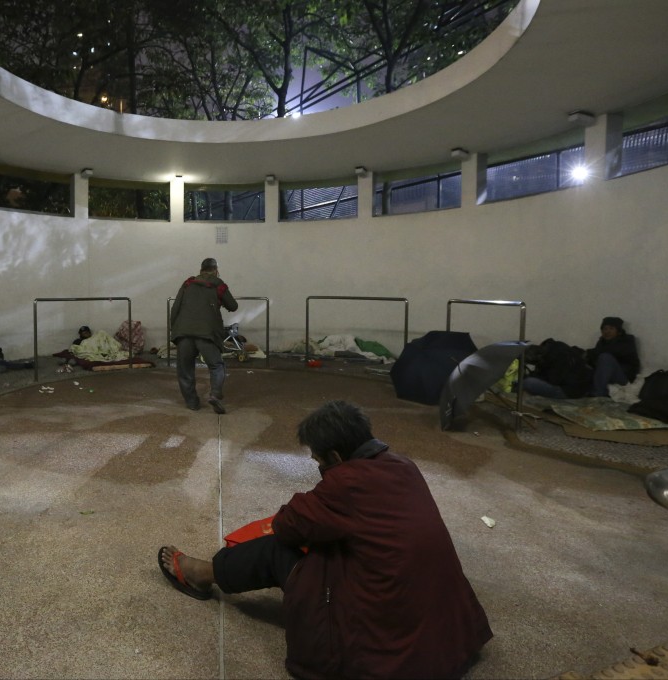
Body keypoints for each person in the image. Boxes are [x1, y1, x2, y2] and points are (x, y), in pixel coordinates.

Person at [158, 400, 493, 679]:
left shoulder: (345, 483)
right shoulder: (403, 466)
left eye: (318, 460)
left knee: (275, 548)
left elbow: (289, 525)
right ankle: (210, 572)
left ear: (334, 457)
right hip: (448, 635)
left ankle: (203, 574)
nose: (318, 466)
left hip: (391, 649)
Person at [169, 257, 238, 413]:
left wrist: (175, 332)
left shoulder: (188, 283)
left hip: (184, 333)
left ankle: (192, 403)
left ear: (200, 270)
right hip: (207, 333)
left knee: (185, 369)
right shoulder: (218, 284)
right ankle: (214, 395)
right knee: (216, 365)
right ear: (215, 270)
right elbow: (233, 306)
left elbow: (175, 308)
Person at [585, 316, 640, 397]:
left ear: (618, 331)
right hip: (608, 375)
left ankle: (599, 393)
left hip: (624, 377)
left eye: (611, 329)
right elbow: (595, 356)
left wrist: (590, 352)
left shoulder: (627, 340)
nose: (607, 331)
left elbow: (613, 351)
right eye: (605, 329)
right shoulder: (602, 342)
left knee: (605, 357)